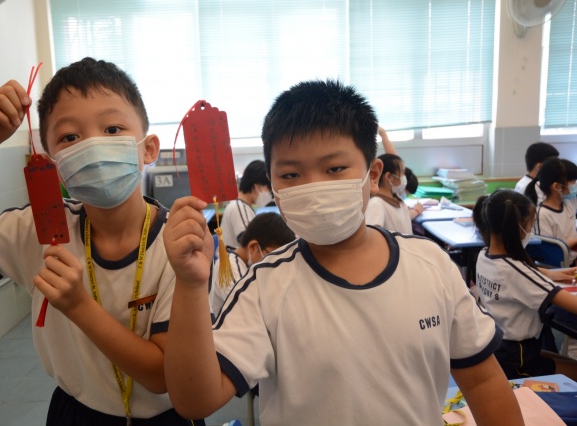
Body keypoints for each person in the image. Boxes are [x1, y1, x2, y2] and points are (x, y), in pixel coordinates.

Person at [162, 80, 523, 425]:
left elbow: (483, 382)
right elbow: (195, 400)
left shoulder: (431, 265)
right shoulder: (263, 288)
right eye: (290, 175)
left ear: (373, 174)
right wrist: (190, 286)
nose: (314, 188)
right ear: (272, 185)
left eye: (334, 169)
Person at [0, 57, 203, 425]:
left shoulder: (181, 245)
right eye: (70, 137)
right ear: (55, 164)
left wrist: (79, 306)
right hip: (75, 414)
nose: (93, 145)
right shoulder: (37, 229)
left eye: (112, 129)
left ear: (148, 148)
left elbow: (162, 376)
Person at [472, 189, 577, 380]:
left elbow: (514, 276)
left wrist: (548, 273)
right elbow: (571, 304)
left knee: (565, 361)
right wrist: (543, 276)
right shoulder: (517, 272)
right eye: (530, 225)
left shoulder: (484, 255)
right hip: (517, 357)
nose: (530, 231)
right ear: (518, 228)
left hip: (498, 346)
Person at [210, 212, 295, 317]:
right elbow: (249, 309)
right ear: (253, 247)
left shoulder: (246, 263)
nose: (276, 264)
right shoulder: (229, 267)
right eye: (273, 257)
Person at [525, 157, 577, 265]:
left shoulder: (568, 203)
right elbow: (550, 251)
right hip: (555, 267)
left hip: (572, 263)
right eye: (573, 182)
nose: (575, 185)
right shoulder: (542, 215)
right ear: (557, 186)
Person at [365, 153, 423, 234]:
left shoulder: (395, 198)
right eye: (402, 173)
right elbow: (372, 235)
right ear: (389, 177)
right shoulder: (376, 204)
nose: (404, 177)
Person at [220, 159, 271, 248]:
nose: (270, 194)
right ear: (257, 186)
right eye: (268, 189)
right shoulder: (238, 207)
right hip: (233, 257)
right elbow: (248, 241)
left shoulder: (243, 207)